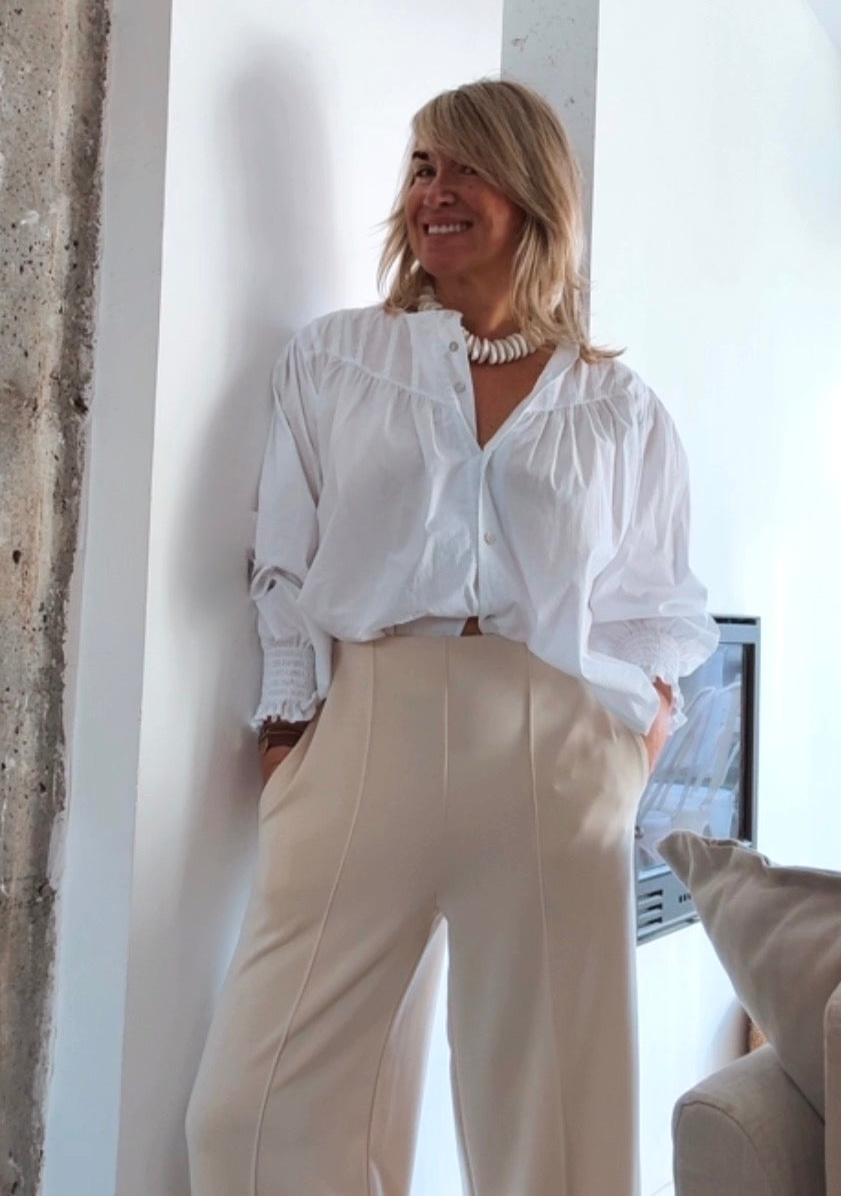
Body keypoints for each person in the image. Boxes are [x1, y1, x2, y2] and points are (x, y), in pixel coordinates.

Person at [185, 77, 719, 1196]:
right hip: (367, 730)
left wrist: (630, 747)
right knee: (249, 1121)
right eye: (423, 167)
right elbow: (282, 564)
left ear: (532, 194)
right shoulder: (336, 360)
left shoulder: (616, 409)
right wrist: (289, 731)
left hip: (553, 751)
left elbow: (653, 605)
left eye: (466, 166)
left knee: (554, 1145)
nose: (436, 190)